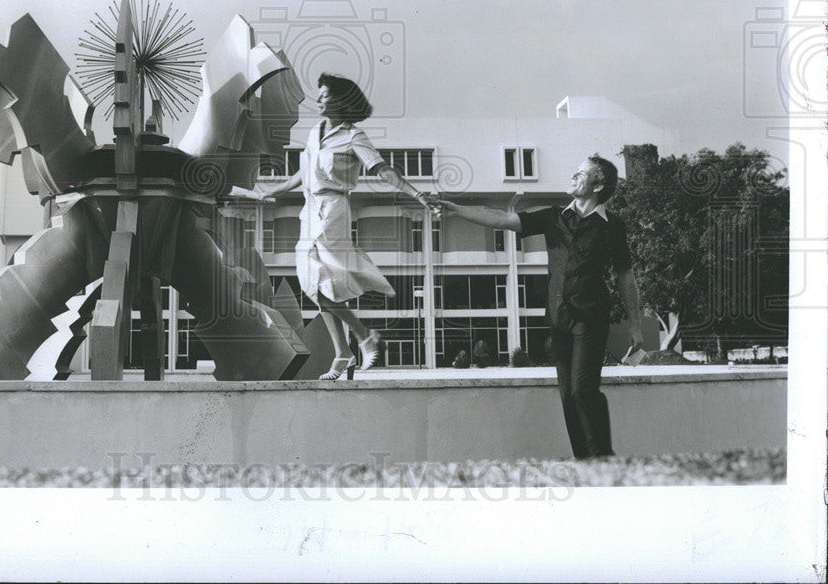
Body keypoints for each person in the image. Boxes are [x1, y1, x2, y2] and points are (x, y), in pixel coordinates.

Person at [438, 156, 643, 458]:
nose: (572, 176)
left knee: (583, 391)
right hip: (558, 318)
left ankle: (604, 457)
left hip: (590, 318)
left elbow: (626, 275)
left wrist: (636, 325)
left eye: (580, 173)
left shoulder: (611, 226)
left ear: (597, 185)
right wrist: (457, 210)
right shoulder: (553, 217)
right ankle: (584, 462)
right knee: (568, 397)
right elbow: (502, 218)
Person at [259, 73, 434, 380]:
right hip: (309, 211)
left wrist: (416, 193)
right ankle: (345, 352)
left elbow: (383, 170)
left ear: (340, 101)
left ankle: (361, 338)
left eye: (324, 95)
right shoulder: (315, 132)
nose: (319, 100)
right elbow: (301, 176)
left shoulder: (353, 136)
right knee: (314, 286)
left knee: (321, 282)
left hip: (333, 211)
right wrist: (268, 191)